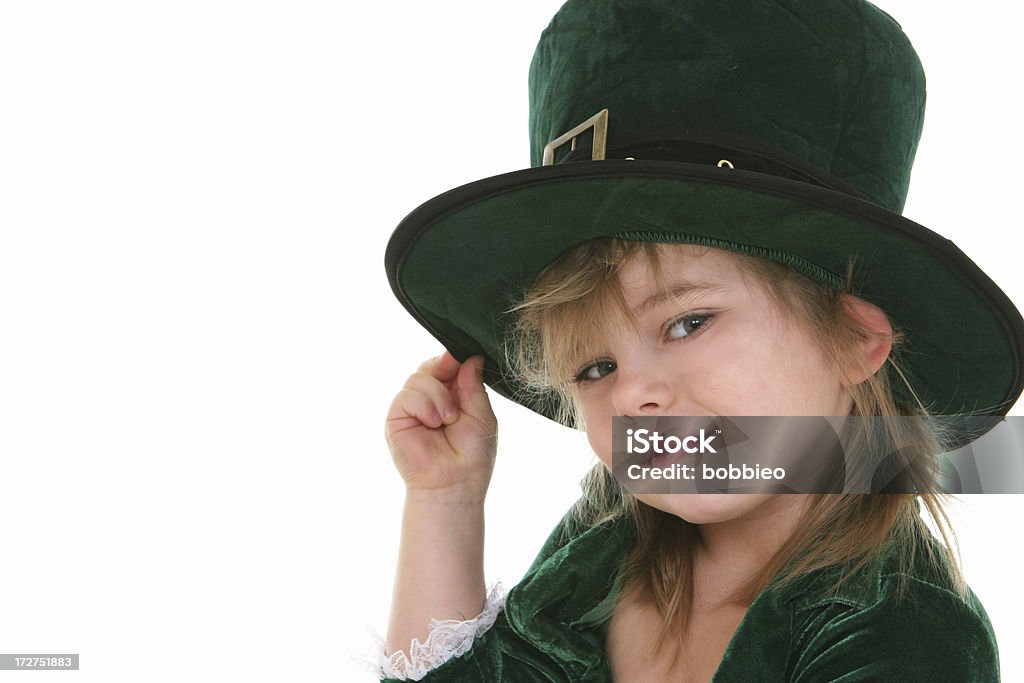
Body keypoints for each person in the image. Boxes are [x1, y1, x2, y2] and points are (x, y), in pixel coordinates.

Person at [378, 0, 1024, 680]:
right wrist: (444, 499)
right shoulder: (604, 544)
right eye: (596, 366)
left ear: (855, 339)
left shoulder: (903, 627)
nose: (634, 392)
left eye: (687, 322)